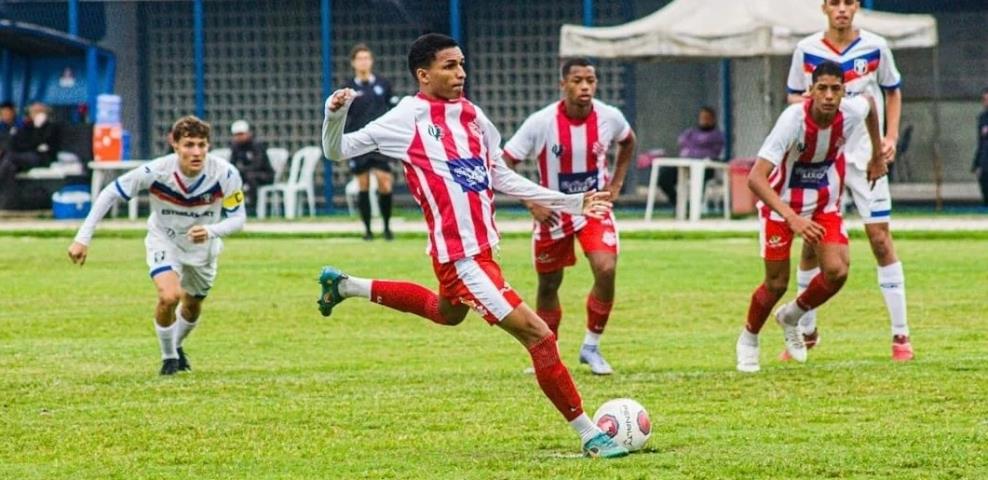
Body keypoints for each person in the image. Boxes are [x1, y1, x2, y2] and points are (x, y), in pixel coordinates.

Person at [319, 33, 628, 459]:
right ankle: (591, 434)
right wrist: (334, 116)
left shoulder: (473, 117)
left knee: (445, 314)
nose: (461, 73)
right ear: (423, 75)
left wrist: (571, 202)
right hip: (462, 259)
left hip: (483, 253)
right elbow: (337, 151)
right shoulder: (405, 117)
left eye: (462, 64)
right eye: (449, 66)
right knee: (540, 336)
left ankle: (347, 285)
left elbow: (500, 177)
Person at [736, 61, 885, 373]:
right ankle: (749, 339)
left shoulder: (851, 111)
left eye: (836, 89)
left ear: (844, 91)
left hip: (823, 204)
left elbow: (871, 104)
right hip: (781, 206)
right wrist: (792, 218)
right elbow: (756, 178)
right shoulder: (793, 120)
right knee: (776, 283)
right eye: (823, 88)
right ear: (811, 91)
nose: (829, 96)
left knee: (837, 270)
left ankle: (791, 315)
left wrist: (876, 155)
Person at [67, 116, 246, 376]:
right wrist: (83, 237)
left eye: (201, 145)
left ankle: (176, 345)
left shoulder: (225, 174)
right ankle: (169, 358)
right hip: (165, 238)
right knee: (169, 296)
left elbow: (239, 220)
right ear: (175, 145)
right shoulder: (157, 171)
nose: (196, 152)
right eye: (188, 145)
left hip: (203, 247)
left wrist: (210, 230)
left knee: (193, 305)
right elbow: (110, 193)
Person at [785, 0, 913, 361]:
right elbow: (794, 95)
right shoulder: (806, 50)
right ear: (824, 7)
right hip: (823, 158)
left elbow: (892, 90)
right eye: (835, 2)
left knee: (879, 238)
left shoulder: (876, 46)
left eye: (848, 2)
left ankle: (900, 335)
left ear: (856, 7)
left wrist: (889, 138)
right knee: (812, 241)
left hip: (866, 158)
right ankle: (806, 332)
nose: (842, 9)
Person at [502, 58, 637, 375]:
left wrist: (616, 183)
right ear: (563, 85)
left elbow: (628, 141)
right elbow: (504, 162)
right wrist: (532, 201)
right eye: (577, 80)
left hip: (594, 206)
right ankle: (548, 353)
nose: (585, 86)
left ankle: (591, 346)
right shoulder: (540, 122)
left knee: (606, 268)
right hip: (554, 211)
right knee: (549, 284)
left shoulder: (609, 117)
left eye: (591, 80)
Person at [344, 44, 399, 240]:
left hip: (380, 141)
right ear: (353, 63)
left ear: (371, 61)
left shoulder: (383, 84)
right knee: (363, 184)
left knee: (385, 182)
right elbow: (343, 116)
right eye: (360, 59)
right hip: (358, 141)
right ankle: (367, 230)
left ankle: (386, 227)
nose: (363, 62)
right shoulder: (349, 88)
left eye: (367, 58)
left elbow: (393, 110)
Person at [658, 106, 725, 205]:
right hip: (685, 165)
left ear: (712, 119)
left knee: (700, 178)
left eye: (707, 118)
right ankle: (679, 203)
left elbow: (712, 152)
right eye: (702, 118)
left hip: (704, 167)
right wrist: (695, 147)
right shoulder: (691, 132)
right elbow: (682, 142)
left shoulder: (717, 135)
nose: (704, 121)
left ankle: (695, 206)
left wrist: (695, 148)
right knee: (664, 176)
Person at [0, 102, 60, 208]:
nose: (37, 114)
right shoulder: (26, 126)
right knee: (9, 166)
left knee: (9, 159)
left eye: (40, 112)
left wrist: (39, 127)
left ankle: (8, 202)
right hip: (22, 157)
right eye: (34, 112)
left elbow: (42, 143)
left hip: (41, 158)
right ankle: (9, 201)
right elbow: (19, 143)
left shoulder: (52, 126)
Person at [228, 119, 273, 209]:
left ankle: (253, 207)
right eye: (236, 135)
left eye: (241, 134)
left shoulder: (257, 145)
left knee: (250, 177)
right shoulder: (236, 147)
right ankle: (231, 207)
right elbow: (232, 163)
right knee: (232, 178)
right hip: (246, 173)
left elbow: (258, 165)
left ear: (248, 133)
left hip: (264, 175)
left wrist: (242, 170)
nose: (239, 137)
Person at [973, 87, 988, 206]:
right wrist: (976, 163)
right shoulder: (982, 118)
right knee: (984, 180)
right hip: (985, 157)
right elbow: (980, 142)